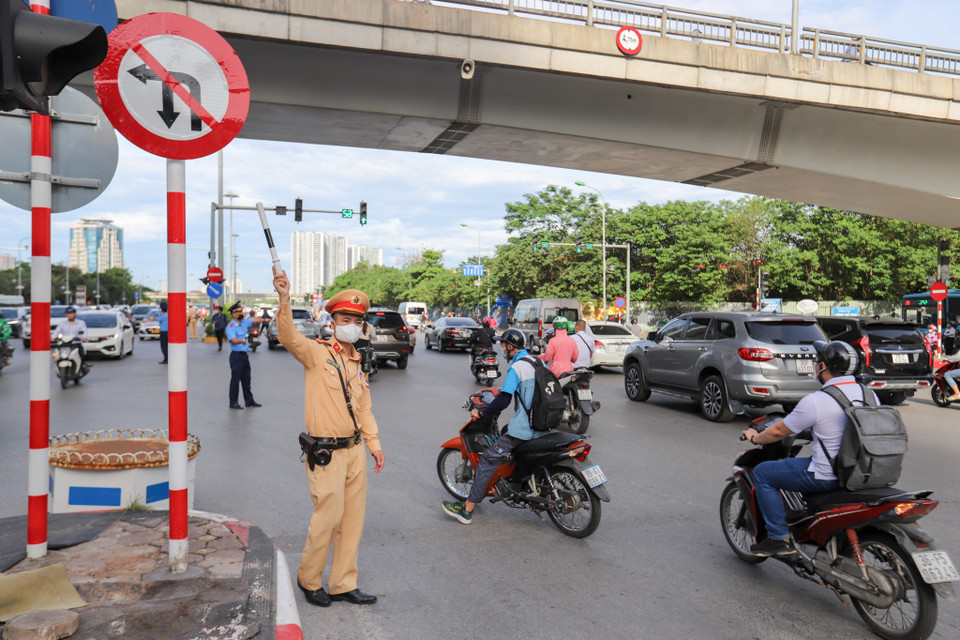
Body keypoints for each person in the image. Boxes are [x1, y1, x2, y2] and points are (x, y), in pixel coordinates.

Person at [272, 272, 385, 608]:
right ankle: (309, 579)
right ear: (332, 322)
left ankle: (342, 583)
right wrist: (284, 298)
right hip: (326, 452)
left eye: (356, 320)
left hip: (355, 452)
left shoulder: (358, 361)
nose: (350, 324)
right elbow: (289, 336)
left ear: (363, 326)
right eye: (345, 318)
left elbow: (364, 408)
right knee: (328, 517)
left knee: (352, 521)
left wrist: (374, 445)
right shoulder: (316, 354)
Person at [740, 340, 872, 557]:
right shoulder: (868, 394)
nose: (815, 365)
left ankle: (778, 538)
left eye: (817, 361)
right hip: (864, 471)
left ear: (824, 367)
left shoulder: (818, 400)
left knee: (763, 473)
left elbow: (778, 432)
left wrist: (755, 438)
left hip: (829, 475)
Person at [442, 328, 546, 525]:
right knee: (506, 431)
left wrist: (482, 412)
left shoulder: (517, 368)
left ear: (510, 347)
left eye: (504, 346)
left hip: (526, 428)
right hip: (545, 424)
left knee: (489, 459)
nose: (502, 350)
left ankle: (467, 509)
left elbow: (504, 399)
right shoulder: (538, 361)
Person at [225, 302, 268, 409]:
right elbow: (233, 340)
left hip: (245, 356)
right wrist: (241, 341)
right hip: (236, 356)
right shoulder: (230, 327)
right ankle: (233, 402)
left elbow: (253, 320)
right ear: (234, 314)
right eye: (239, 312)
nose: (241, 313)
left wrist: (264, 320)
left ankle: (249, 401)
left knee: (246, 379)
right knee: (235, 380)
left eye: (241, 311)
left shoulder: (243, 323)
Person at [56, 306, 90, 371]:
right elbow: (57, 331)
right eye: (68, 313)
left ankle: (81, 367)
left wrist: (83, 337)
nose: (70, 315)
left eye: (71, 313)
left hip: (76, 343)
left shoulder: (81, 323)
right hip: (64, 343)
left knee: (82, 354)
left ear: (75, 314)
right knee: (57, 354)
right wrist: (53, 337)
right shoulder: (62, 323)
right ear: (66, 314)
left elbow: (84, 332)